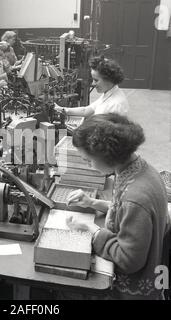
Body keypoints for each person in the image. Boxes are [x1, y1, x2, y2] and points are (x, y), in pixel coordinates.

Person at [65, 113, 170, 300]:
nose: (89, 166)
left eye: (88, 161)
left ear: (108, 155)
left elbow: (129, 260)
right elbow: (127, 211)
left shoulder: (135, 198)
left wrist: (92, 231)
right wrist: (93, 203)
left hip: (131, 291)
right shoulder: (140, 169)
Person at [55, 56, 130, 117]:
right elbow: (86, 111)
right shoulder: (109, 93)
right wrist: (61, 109)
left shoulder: (115, 106)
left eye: (96, 80)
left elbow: (104, 133)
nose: (93, 84)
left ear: (108, 79)